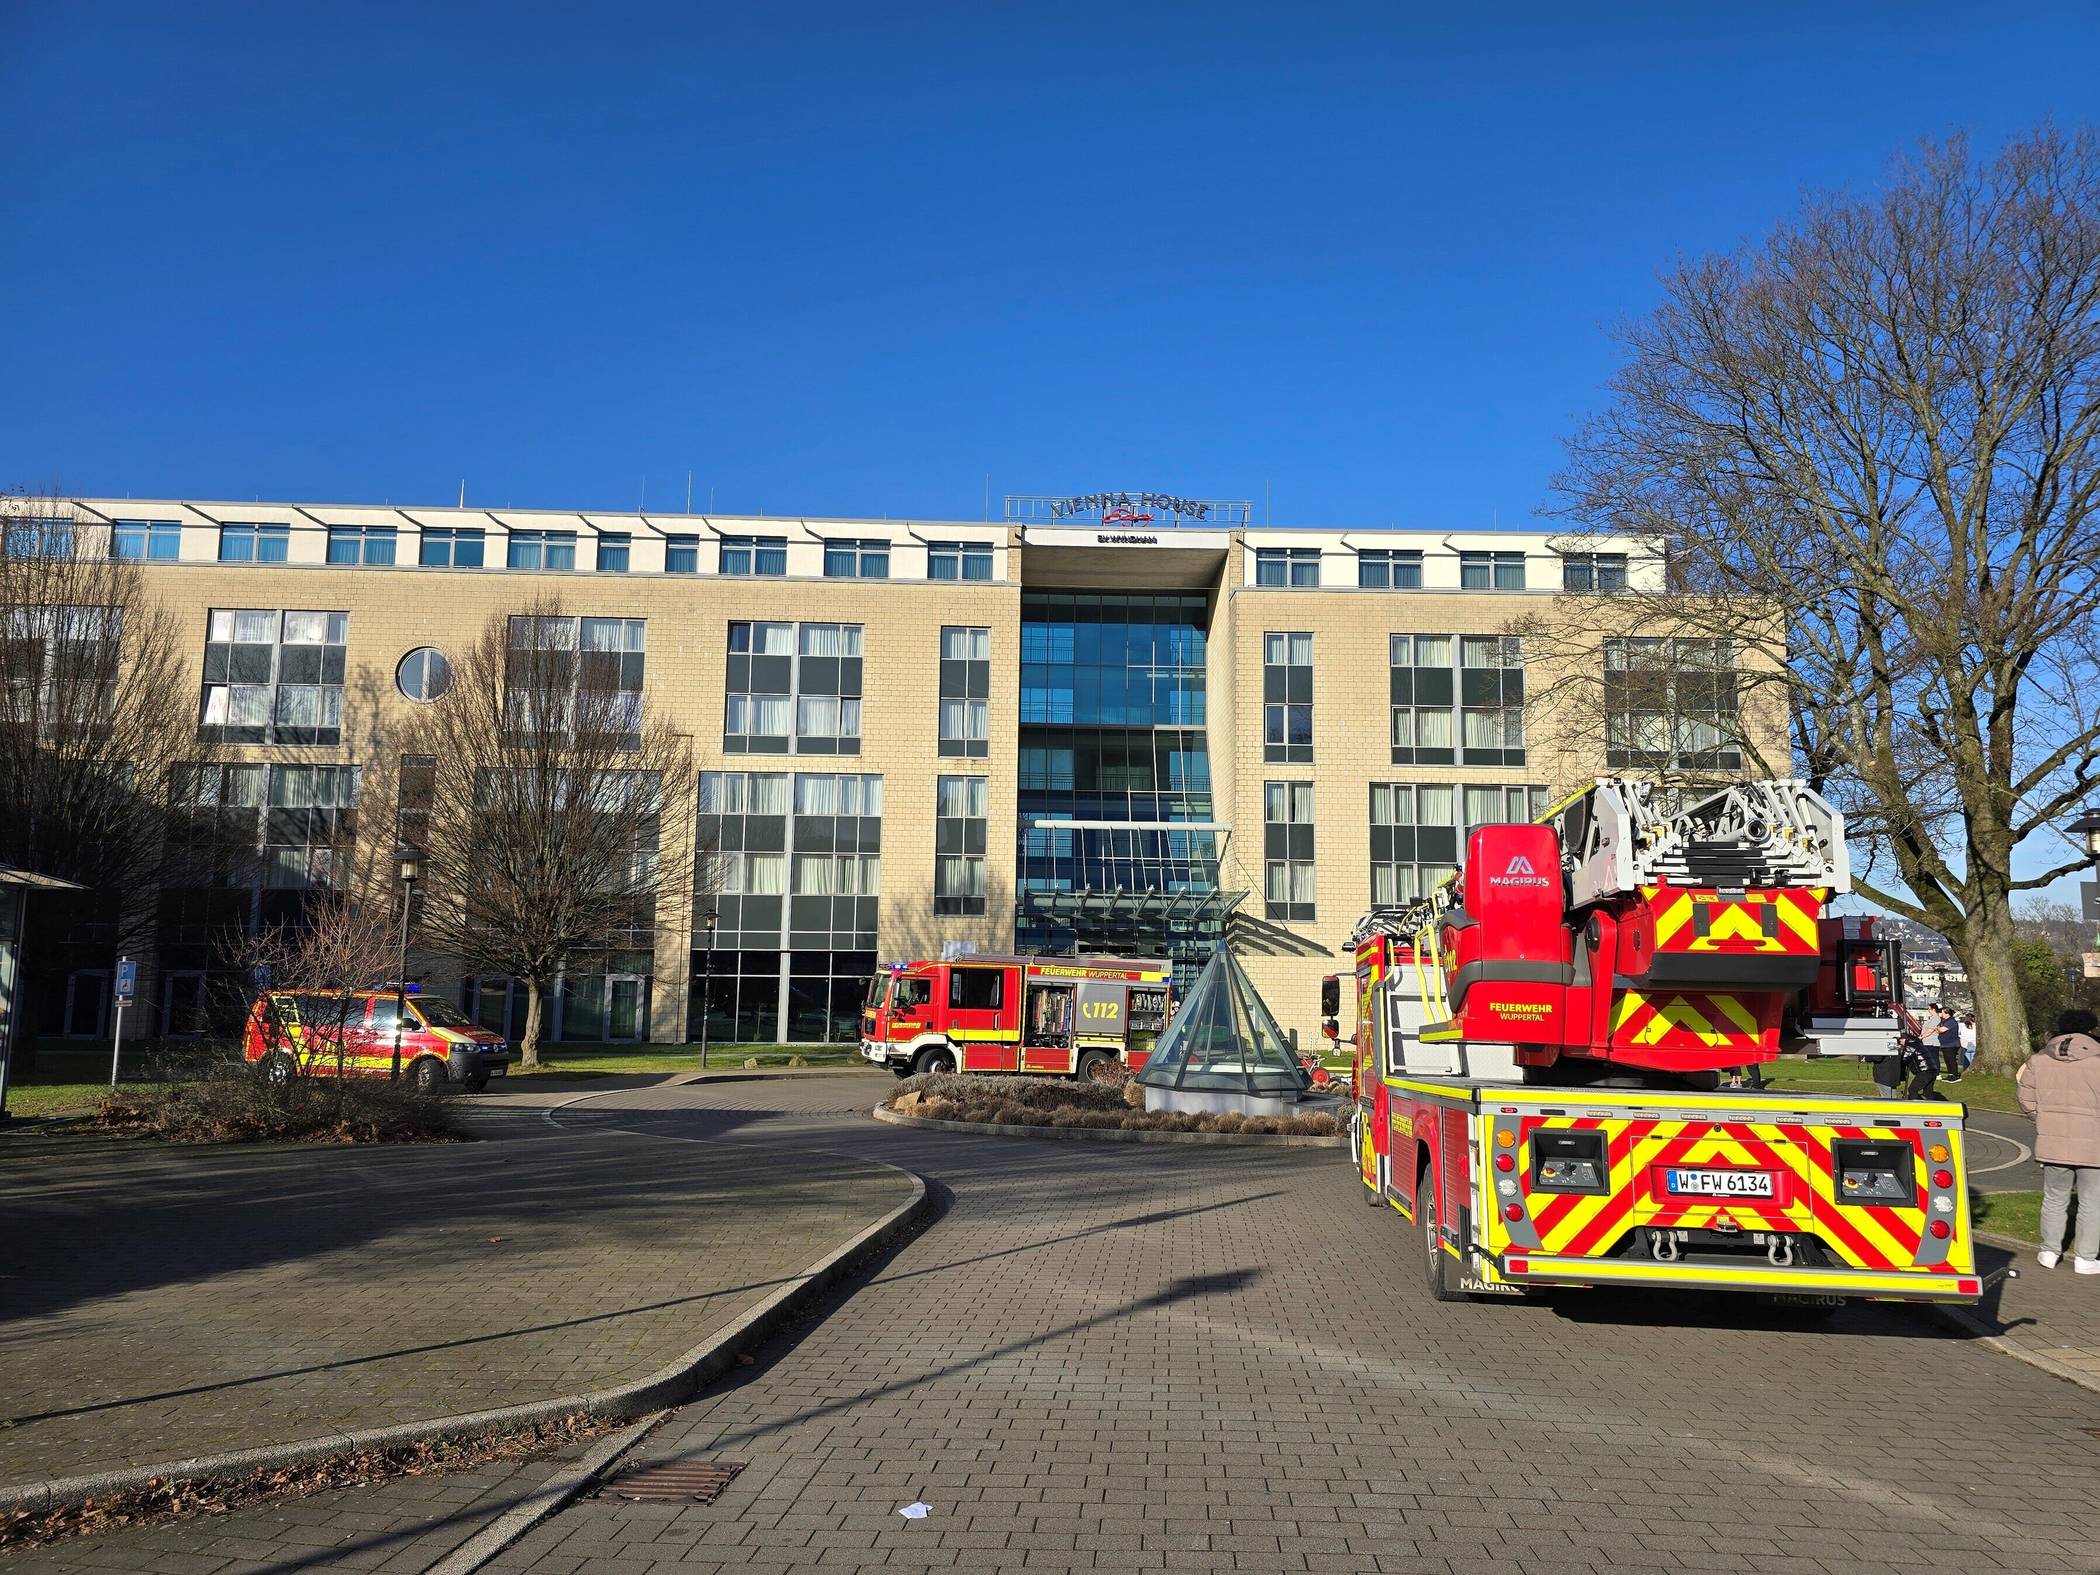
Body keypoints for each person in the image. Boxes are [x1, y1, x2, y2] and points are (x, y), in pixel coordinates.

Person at [2017, 1008, 2100, 1273]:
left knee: (2054, 1197)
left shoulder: (2040, 1059)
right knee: (2092, 1201)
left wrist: (2041, 1118)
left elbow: (2025, 1096)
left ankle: (2049, 1251)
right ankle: (2086, 1257)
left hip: (2051, 1141)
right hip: (2093, 1141)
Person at [1933, 1003, 1963, 1083]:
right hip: (1945, 1044)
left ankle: (1955, 1075)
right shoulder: (1943, 1021)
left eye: (1942, 1012)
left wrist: (1938, 1029)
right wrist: (1938, 1029)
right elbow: (1937, 1028)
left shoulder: (1951, 1021)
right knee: (1947, 1060)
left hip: (1952, 1044)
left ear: (1946, 1013)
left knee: (1951, 1060)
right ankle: (1950, 1074)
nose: (1940, 1014)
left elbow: (1941, 1030)